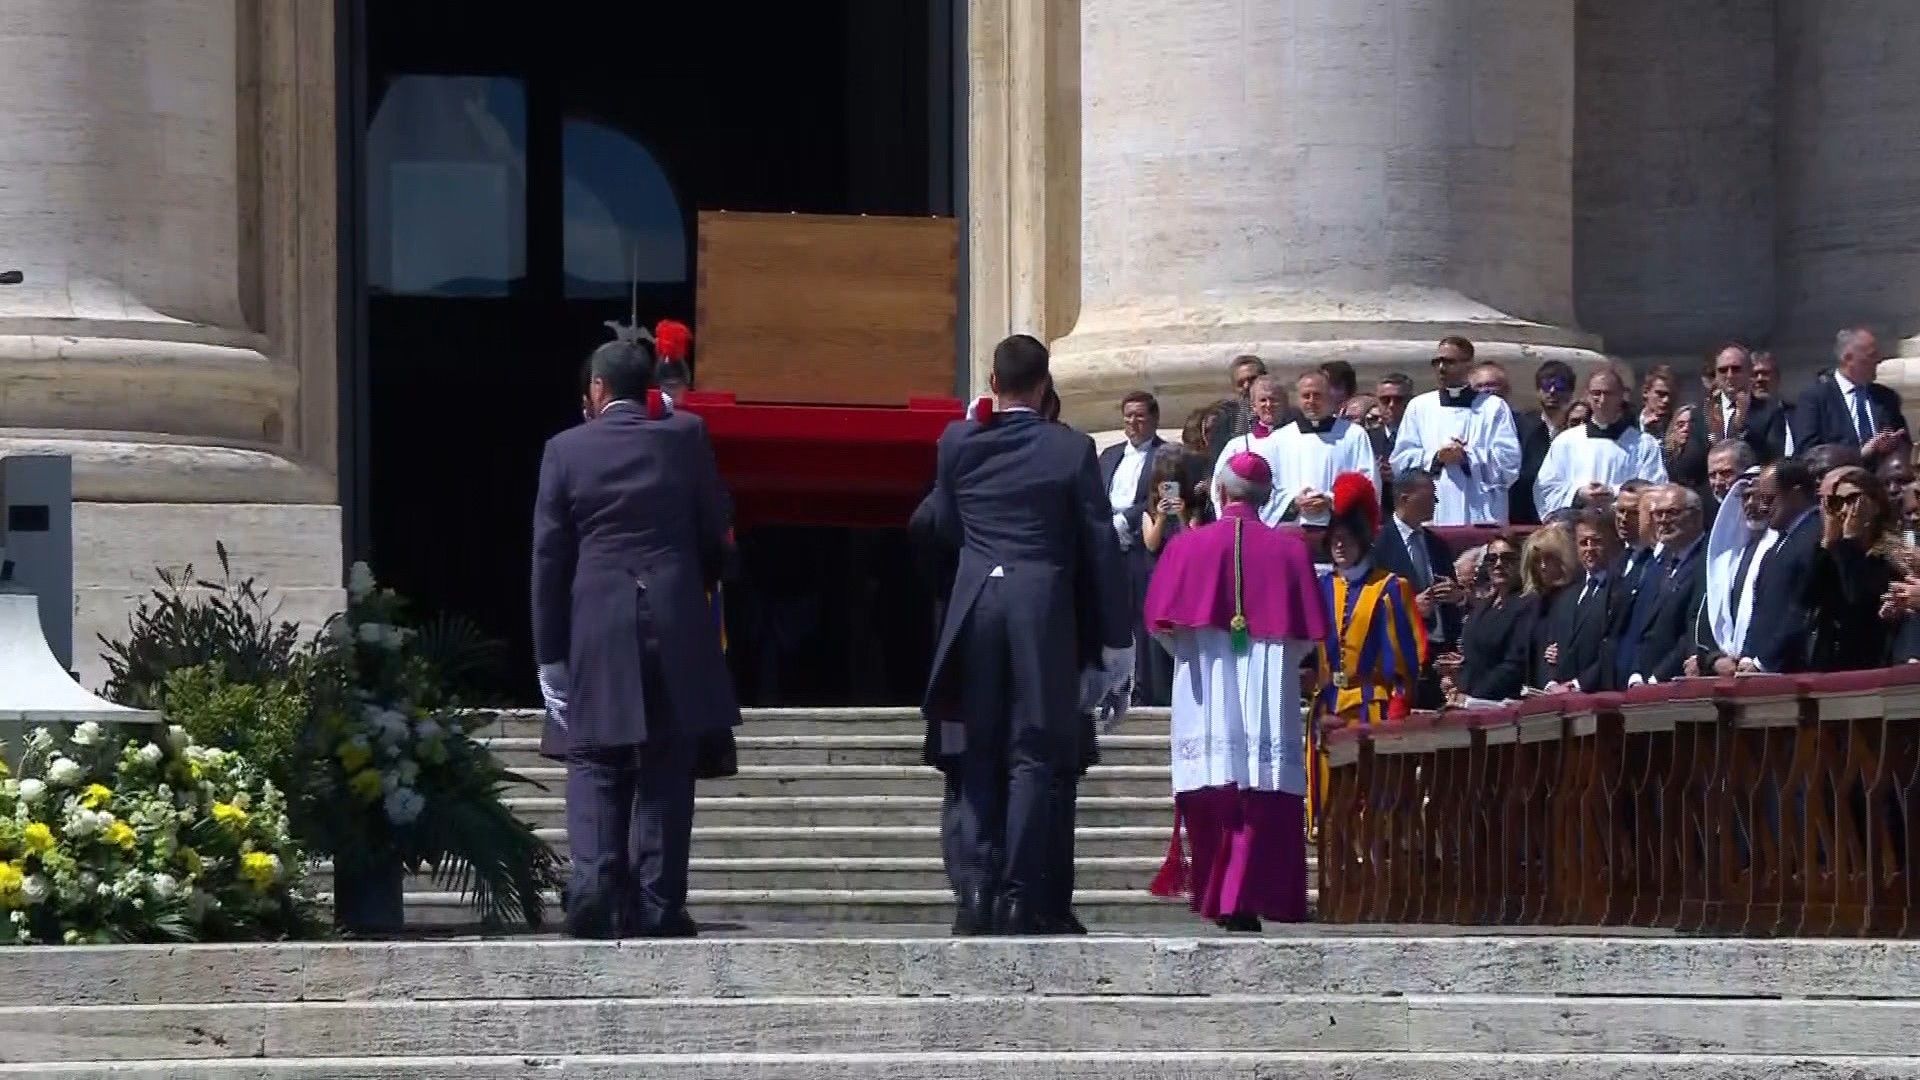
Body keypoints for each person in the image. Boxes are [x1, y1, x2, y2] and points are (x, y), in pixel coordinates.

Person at [914, 334, 1132, 936]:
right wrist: (1117, 636)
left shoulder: (957, 443)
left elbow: (947, 525)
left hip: (977, 602)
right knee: (1035, 751)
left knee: (980, 749)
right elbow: (1098, 543)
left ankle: (978, 892)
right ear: (1044, 385)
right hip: (1042, 607)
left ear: (991, 379)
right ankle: (1019, 893)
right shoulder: (1069, 448)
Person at [531, 336, 738, 939]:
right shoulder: (686, 438)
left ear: (596, 389)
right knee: (669, 761)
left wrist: (550, 652)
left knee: (594, 756)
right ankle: (659, 902)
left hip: (598, 618)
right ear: (647, 388)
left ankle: (594, 891)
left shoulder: (565, 450)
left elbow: (549, 557)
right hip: (675, 615)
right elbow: (713, 531)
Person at [1143, 451, 1325, 932]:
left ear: (1220, 493)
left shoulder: (1186, 547)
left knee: (1215, 778)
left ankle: (1217, 890)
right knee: (1262, 782)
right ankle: (1256, 892)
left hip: (1207, 678)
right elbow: (1306, 637)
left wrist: (1197, 646)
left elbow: (1161, 625)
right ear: (1267, 498)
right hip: (1269, 682)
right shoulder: (1291, 551)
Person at [1389, 335, 1522, 525]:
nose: (1441, 368)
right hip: (1433, 512)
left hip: (1480, 512)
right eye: (1437, 362)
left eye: (1449, 362)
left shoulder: (1493, 407)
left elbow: (1509, 463)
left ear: (1469, 365)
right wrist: (1435, 457)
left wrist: (1467, 457)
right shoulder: (1419, 406)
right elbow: (1401, 459)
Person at [1100, 392, 1172, 705]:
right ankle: (1109, 688)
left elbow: (1161, 501)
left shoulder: (1166, 455)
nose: (1133, 422)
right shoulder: (1109, 455)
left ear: (1154, 418)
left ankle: (1145, 691)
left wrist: (1124, 522)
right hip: (1106, 549)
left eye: (1140, 416)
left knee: (1143, 623)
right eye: (1128, 416)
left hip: (1143, 549)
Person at [1231, 370, 1377, 524]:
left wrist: (1331, 500)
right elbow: (1265, 485)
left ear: (1330, 397)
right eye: (1306, 396)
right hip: (1291, 527)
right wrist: (1293, 502)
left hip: (1338, 529)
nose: (1311, 401)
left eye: (1317, 395)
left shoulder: (1354, 435)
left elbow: (1367, 480)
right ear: (1298, 400)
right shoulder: (1278, 439)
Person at [1533, 368, 1669, 514]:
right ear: (1587, 396)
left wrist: (1613, 492)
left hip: (1622, 526)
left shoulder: (1644, 443)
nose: (1602, 400)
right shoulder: (1566, 441)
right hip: (1578, 524)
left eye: (1608, 394)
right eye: (1596, 393)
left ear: (1622, 396)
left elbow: (1654, 488)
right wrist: (1578, 494)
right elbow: (1546, 488)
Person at [1792, 328, 1911, 467]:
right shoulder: (1815, 398)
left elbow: (1904, 442)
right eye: (1871, 355)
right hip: (1839, 480)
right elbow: (1808, 452)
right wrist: (1861, 453)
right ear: (1848, 358)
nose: (1878, 361)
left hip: (1883, 481)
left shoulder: (1886, 397)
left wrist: (1894, 442)